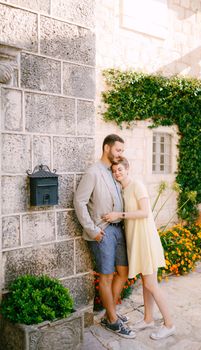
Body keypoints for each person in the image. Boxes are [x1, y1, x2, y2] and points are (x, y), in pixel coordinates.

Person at [103, 157, 175, 340]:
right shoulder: (123, 189)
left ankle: (169, 324)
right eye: (114, 171)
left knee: (151, 284)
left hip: (145, 239)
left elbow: (145, 212)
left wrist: (119, 214)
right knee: (145, 283)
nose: (117, 173)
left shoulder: (137, 185)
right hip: (136, 240)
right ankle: (148, 319)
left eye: (120, 169)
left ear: (127, 168)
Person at [73, 134, 136, 339]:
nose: (120, 154)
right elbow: (79, 202)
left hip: (119, 229)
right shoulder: (93, 172)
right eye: (118, 150)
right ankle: (112, 320)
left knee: (123, 273)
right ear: (107, 148)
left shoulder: (113, 172)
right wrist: (92, 230)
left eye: (122, 151)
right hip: (103, 232)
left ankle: (111, 314)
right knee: (107, 277)